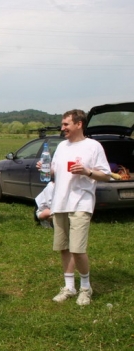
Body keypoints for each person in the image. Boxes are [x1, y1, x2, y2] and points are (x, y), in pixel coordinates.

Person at [37, 109, 111, 306]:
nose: (63, 128)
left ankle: (86, 288)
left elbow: (106, 174)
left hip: (81, 202)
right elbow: (54, 171)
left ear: (79, 124)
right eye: (62, 125)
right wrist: (45, 168)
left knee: (78, 249)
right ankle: (69, 287)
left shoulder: (93, 146)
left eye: (66, 124)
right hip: (60, 202)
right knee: (63, 247)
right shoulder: (61, 146)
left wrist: (87, 171)